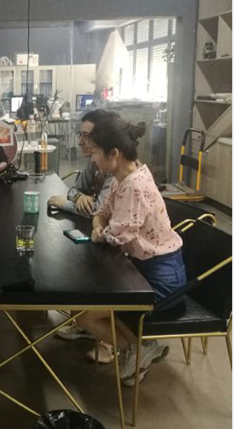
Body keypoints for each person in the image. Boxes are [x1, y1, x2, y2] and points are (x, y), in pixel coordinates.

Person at [76, 114, 186, 386]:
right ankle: (139, 348)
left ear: (114, 153)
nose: (93, 158)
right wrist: (100, 226)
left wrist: (101, 231)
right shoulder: (122, 177)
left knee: (86, 316)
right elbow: (101, 213)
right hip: (141, 269)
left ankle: (135, 349)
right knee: (86, 309)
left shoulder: (135, 185)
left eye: (96, 152)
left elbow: (117, 235)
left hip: (161, 280)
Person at [48, 109, 115, 218]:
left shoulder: (117, 171)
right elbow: (73, 190)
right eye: (80, 135)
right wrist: (79, 197)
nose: (80, 142)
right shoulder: (93, 162)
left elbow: (99, 212)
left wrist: (65, 204)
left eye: (86, 136)